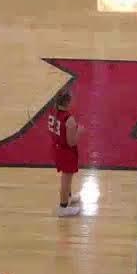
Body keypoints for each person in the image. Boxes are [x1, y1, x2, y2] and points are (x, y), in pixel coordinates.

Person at [48, 88, 83, 217]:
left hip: (57, 148)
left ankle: (68, 197)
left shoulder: (53, 112)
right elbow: (71, 142)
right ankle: (63, 207)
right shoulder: (69, 119)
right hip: (66, 152)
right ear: (68, 102)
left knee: (67, 177)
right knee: (66, 179)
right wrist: (79, 132)